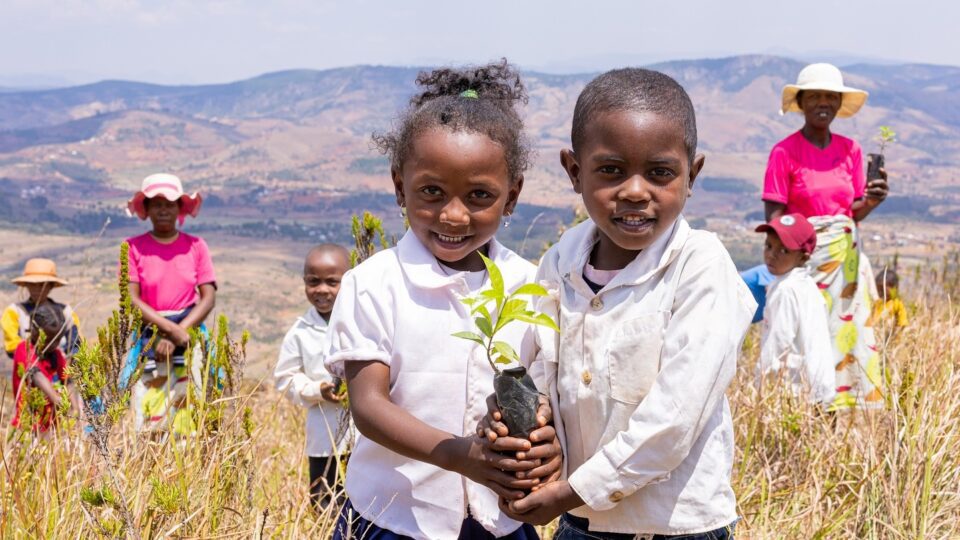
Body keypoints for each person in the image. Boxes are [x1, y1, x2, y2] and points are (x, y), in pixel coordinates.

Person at [485, 68, 756, 539]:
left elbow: (673, 420)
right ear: (574, 171)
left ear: (691, 176)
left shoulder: (700, 267)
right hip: (582, 525)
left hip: (677, 526)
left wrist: (569, 491)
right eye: (610, 170)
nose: (634, 190)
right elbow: (539, 376)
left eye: (660, 173)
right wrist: (535, 439)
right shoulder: (560, 263)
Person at [324, 60, 559, 540]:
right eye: (431, 192)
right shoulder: (372, 284)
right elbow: (368, 406)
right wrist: (460, 456)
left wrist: (548, 445)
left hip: (499, 521)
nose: (452, 216)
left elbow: (547, 394)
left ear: (511, 197)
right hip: (395, 518)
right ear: (398, 186)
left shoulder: (530, 284)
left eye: (479, 195)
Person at [763, 63, 890, 409]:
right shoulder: (783, 153)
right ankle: (801, 410)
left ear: (838, 104)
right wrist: (791, 259)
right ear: (801, 103)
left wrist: (873, 202)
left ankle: (840, 409)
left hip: (844, 265)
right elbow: (775, 218)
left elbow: (851, 213)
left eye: (830, 96)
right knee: (806, 339)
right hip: (805, 261)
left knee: (843, 337)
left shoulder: (851, 150)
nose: (823, 102)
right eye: (815, 95)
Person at [123, 173, 216, 433]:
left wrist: (179, 332)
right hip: (148, 337)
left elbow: (208, 298)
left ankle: (184, 466)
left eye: (170, 203)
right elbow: (132, 299)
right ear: (147, 209)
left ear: (179, 208)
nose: (163, 209)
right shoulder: (132, 248)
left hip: (188, 335)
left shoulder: (196, 247)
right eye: (157, 203)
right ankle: (150, 466)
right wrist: (168, 329)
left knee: (188, 412)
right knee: (149, 414)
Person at [274, 244, 353, 509]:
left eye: (332, 282)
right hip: (323, 441)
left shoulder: (362, 323)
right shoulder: (299, 332)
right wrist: (318, 390)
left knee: (365, 509)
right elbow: (285, 379)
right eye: (313, 281)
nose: (322, 289)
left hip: (364, 439)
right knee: (325, 508)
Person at [755, 214, 835, 405]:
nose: (772, 254)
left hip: (796, 392)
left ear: (803, 257)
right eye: (769, 246)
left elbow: (778, 342)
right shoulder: (806, 285)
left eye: (784, 250)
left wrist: (760, 383)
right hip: (818, 389)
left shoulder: (786, 290)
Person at [10, 302, 83, 432]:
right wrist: (56, 399)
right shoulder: (24, 349)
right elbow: (35, 374)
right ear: (34, 332)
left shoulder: (55, 354)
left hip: (53, 425)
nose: (53, 344)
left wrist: (75, 407)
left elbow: (68, 379)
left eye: (57, 339)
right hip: (29, 425)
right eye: (48, 339)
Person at [3, 258, 81, 360]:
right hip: (28, 370)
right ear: (26, 285)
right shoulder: (14, 312)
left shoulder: (66, 312)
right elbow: (12, 348)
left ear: (51, 286)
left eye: (42, 285)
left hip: (62, 370)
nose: (37, 289)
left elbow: (75, 345)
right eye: (32, 284)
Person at [871, 266, 909, 338]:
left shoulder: (897, 304)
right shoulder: (877, 302)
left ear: (895, 288)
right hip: (876, 336)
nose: (880, 293)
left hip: (890, 337)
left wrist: (896, 334)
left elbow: (902, 323)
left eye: (882, 289)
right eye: (878, 290)